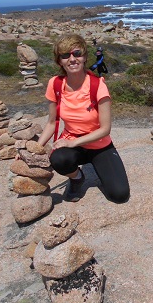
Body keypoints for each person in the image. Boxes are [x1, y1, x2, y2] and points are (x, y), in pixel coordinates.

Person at [37, 34, 130, 203]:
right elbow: (51, 123)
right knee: (58, 159)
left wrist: (72, 143)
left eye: (77, 53)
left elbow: (105, 129)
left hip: (99, 145)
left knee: (120, 195)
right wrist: (34, 148)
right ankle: (77, 177)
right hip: (72, 143)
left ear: (85, 57)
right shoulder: (55, 84)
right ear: (59, 61)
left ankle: (97, 165)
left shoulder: (97, 85)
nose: (72, 59)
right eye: (65, 55)